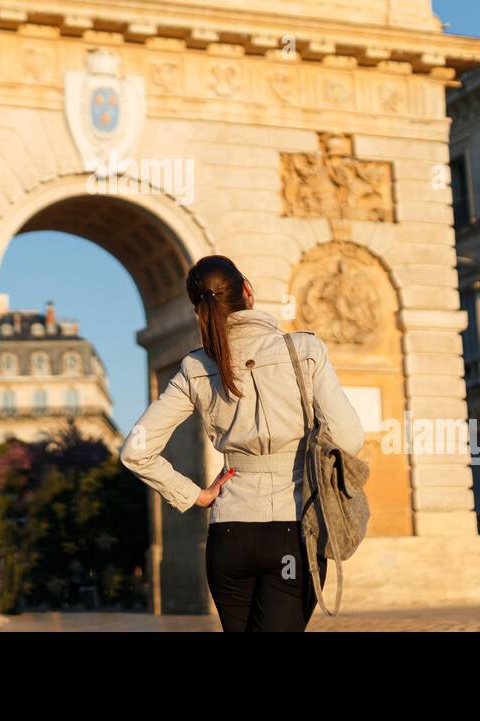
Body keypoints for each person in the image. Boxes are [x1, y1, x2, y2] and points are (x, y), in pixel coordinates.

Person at [120, 255, 366, 632]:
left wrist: (194, 495)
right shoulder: (304, 350)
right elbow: (350, 438)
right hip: (293, 532)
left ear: (198, 307)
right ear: (247, 291)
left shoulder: (195, 368)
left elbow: (136, 450)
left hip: (227, 536)